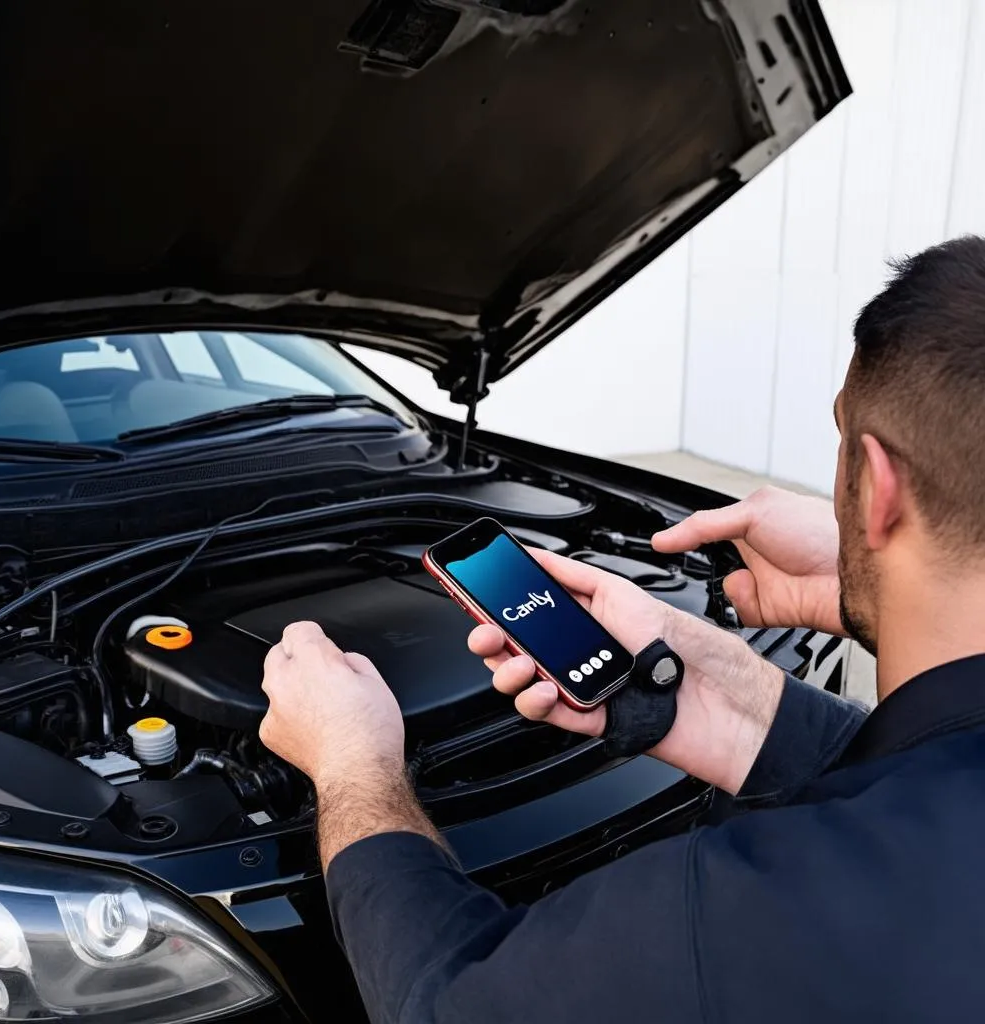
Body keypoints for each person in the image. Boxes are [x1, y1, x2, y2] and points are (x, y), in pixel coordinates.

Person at [259, 235, 985, 1022]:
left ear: (877, 488)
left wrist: (352, 768)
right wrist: (758, 718)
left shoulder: (754, 913)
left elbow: (442, 1004)